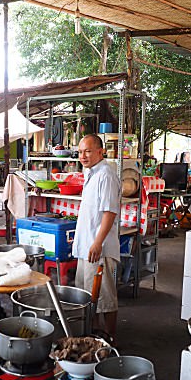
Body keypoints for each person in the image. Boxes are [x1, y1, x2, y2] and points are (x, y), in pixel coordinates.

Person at [72, 134, 121, 339]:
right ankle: (94, 334)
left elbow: (109, 212)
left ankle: (110, 337)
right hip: (87, 245)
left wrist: (98, 243)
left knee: (105, 296)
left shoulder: (106, 175)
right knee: (88, 294)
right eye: (80, 151)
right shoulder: (91, 172)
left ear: (101, 151)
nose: (83, 156)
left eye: (88, 151)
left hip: (98, 246)